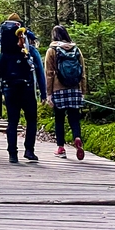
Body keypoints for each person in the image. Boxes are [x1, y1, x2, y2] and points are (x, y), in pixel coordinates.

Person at [0, 13, 38, 163]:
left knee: (12, 121)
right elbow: (37, 70)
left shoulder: (4, 52)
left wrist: (2, 87)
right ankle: (29, 150)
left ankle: (12, 153)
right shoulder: (27, 50)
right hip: (26, 87)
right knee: (31, 119)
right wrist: (42, 91)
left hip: (9, 87)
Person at [44, 24, 87, 159]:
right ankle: (77, 138)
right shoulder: (76, 50)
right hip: (74, 88)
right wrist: (83, 91)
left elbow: (49, 74)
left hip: (58, 90)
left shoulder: (51, 50)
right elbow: (83, 72)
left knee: (59, 119)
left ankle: (61, 148)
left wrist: (48, 93)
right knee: (74, 117)